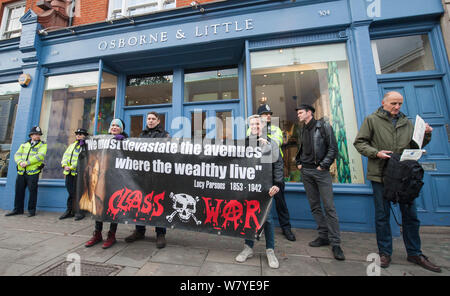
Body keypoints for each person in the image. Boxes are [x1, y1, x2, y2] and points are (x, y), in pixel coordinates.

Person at [353, 91, 441, 272]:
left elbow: (415, 146)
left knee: (411, 216)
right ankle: (385, 252)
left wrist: (426, 134)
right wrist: (376, 153)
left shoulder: (407, 122)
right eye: (394, 103)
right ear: (383, 103)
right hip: (381, 174)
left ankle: (415, 252)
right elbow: (360, 143)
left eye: (400, 103)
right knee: (382, 215)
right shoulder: (372, 120)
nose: (397, 107)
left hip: (404, 175)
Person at [295, 104, 345, 261]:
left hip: (320, 172)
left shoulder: (323, 126)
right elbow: (302, 148)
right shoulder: (302, 129)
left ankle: (336, 243)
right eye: (298, 113)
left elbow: (333, 148)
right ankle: (323, 236)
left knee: (329, 207)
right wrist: (298, 161)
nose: (298, 115)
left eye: (301, 112)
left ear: (309, 113)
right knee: (315, 205)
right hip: (306, 171)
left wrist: (323, 165)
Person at [235, 114, 284, 269]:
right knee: (249, 216)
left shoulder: (271, 143)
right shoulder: (245, 142)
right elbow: (236, 161)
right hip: (249, 187)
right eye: (252, 124)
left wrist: (277, 184)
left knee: (267, 219)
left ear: (262, 125)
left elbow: (278, 165)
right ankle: (248, 248)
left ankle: (270, 250)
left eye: (257, 124)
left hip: (266, 188)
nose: (255, 126)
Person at [246, 104, 296, 242]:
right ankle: (258, 229)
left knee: (280, 202)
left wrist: (265, 139)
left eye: (269, 113)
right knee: (257, 204)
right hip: (258, 173)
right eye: (265, 114)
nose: (268, 115)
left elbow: (278, 142)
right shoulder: (251, 129)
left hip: (274, 171)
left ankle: (286, 228)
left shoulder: (275, 128)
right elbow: (248, 145)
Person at [125, 111, 169, 249]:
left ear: (158, 121)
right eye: (148, 119)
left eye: (153, 119)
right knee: (140, 202)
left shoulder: (165, 135)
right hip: (143, 175)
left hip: (158, 176)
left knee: (159, 204)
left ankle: (160, 234)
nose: (150, 121)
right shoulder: (142, 135)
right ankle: (139, 231)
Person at [84, 119, 128, 249]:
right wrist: (84, 144)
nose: (114, 127)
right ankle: (97, 233)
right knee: (99, 205)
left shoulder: (125, 140)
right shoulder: (102, 140)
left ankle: (111, 235)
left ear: (122, 129)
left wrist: (124, 141)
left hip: (117, 178)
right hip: (101, 177)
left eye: (117, 126)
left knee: (114, 206)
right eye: (112, 125)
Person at [5, 126, 47, 217]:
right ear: (31, 135)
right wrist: (20, 162)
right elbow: (17, 154)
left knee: (32, 192)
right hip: (21, 172)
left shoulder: (43, 145)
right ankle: (17, 209)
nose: (38, 136)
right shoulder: (24, 144)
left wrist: (27, 163)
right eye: (36, 134)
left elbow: (40, 156)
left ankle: (32, 211)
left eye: (39, 134)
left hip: (33, 172)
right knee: (19, 191)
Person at [59, 128, 89, 220]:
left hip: (79, 174)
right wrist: (64, 165)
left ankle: (80, 212)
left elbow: (82, 159)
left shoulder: (86, 146)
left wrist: (71, 166)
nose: (78, 135)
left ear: (85, 136)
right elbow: (66, 155)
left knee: (79, 193)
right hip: (69, 173)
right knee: (71, 193)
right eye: (77, 134)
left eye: (81, 134)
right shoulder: (72, 145)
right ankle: (69, 211)